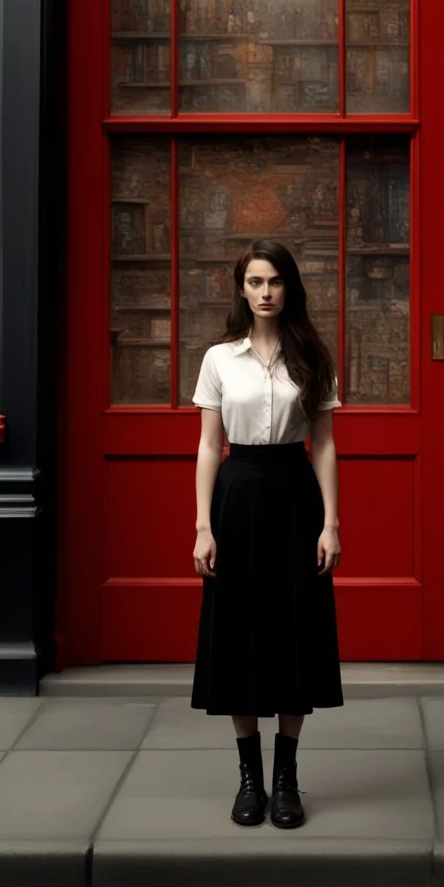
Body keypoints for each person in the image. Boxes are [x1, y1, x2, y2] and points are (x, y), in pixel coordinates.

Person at [190, 238, 343, 829]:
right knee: (238, 633)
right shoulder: (219, 359)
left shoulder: (313, 356)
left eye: (274, 281)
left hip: (294, 496)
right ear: (242, 288)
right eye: (254, 282)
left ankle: (287, 781)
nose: (265, 292)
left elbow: (325, 444)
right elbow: (208, 446)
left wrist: (330, 522)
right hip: (236, 494)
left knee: (292, 632)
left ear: (289, 287)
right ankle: (248, 780)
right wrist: (203, 525)